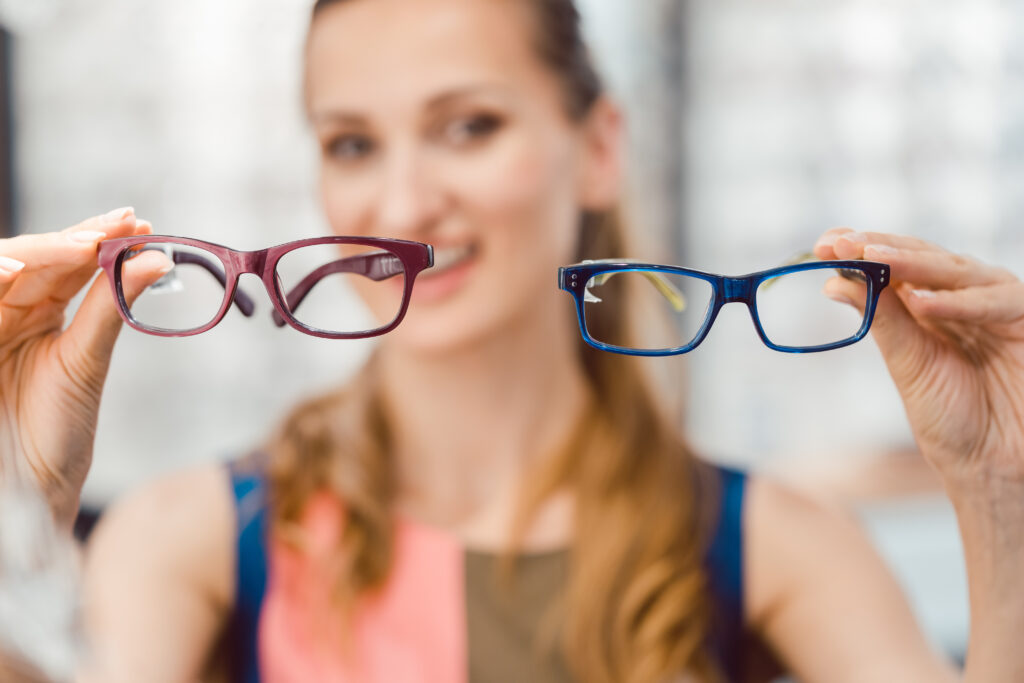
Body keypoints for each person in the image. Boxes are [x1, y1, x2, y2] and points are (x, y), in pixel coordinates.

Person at [0, 0, 1022, 681]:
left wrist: (998, 492)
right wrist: (15, 512)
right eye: (352, 143)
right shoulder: (190, 540)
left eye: (469, 126)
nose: (403, 203)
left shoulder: (777, 543)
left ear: (599, 147)